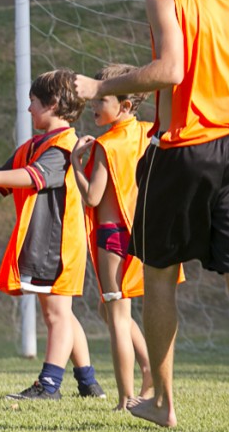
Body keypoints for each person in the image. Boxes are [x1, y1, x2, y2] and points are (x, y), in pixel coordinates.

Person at [74, 0, 229, 432]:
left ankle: (162, 402)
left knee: (159, 275)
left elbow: (169, 69)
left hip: (185, 149)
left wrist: (101, 85)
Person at [0, 68, 106, 400]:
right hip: (43, 243)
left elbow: (31, 176)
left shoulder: (65, 146)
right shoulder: (36, 144)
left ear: (52, 104)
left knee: (56, 314)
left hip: (57, 244)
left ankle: (49, 385)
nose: (28, 109)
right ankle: (89, 382)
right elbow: (1, 178)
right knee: (61, 312)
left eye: (33, 102)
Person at [69, 62, 185, 410]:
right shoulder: (151, 133)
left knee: (116, 316)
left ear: (126, 106)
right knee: (112, 311)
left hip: (113, 237)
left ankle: (124, 398)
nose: (94, 106)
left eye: (102, 100)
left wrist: (76, 163)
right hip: (147, 233)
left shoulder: (105, 146)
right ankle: (149, 367)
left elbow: (92, 197)